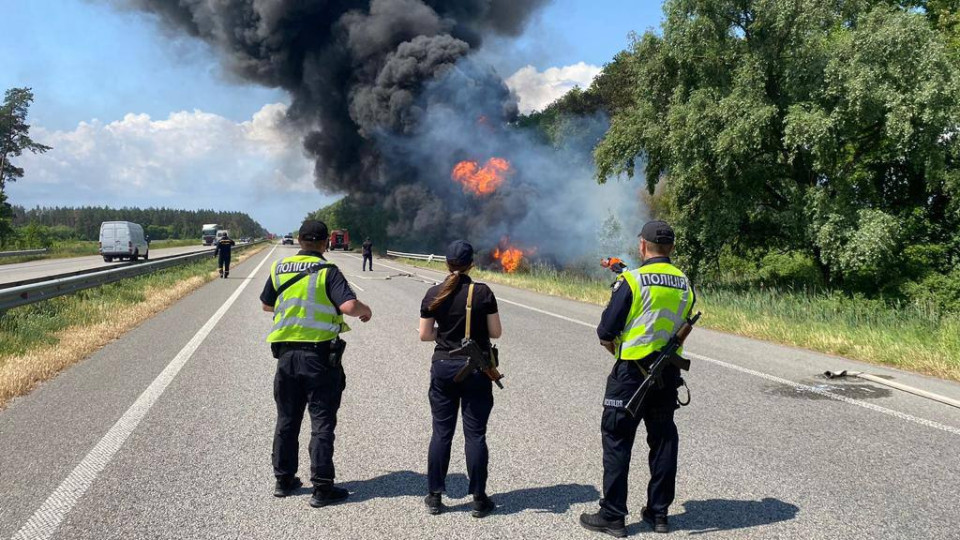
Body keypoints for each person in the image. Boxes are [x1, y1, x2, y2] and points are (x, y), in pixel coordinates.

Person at [580, 220, 697, 537]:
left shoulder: (633, 280)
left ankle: (613, 516)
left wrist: (615, 348)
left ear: (642, 245)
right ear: (671, 248)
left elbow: (606, 331)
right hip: (668, 373)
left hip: (631, 373)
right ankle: (658, 514)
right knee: (663, 441)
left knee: (617, 440)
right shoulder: (686, 283)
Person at [260, 219, 373, 508]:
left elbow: (267, 304)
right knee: (321, 422)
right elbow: (348, 306)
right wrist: (365, 311)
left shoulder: (278, 268)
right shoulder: (328, 272)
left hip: (286, 357)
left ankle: (284, 480)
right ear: (325, 244)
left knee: (287, 419)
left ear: (299, 240)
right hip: (319, 358)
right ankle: (322, 488)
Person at [418, 240, 502, 517]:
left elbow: (424, 335)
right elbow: (496, 332)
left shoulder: (433, 293)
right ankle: (479, 498)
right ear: (471, 265)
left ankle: (434, 496)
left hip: (443, 365)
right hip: (476, 369)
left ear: (446, 263)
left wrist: (445, 336)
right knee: (475, 434)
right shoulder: (483, 292)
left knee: (441, 432)